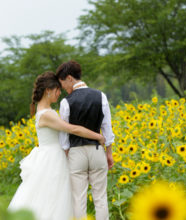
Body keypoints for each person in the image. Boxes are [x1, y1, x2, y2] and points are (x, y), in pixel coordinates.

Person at [8, 71, 105, 220]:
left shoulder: (46, 111)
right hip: (52, 159)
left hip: (52, 156)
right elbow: (72, 129)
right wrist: (97, 136)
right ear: (48, 90)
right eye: (57, 90)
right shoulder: (46, 114)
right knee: (52, 198)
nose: (59, 93)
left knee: (53, 197)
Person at [56, 60, 115, 220]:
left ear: (69, 78)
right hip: (97, 151)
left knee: (78, 199)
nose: (63, 89)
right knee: (101, 199)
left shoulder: (66, 102)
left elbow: (64, 136)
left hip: (76, 153)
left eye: (62, 84)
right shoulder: (100, 96)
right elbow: (107, 128)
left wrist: (67, 155)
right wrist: (109, 153)